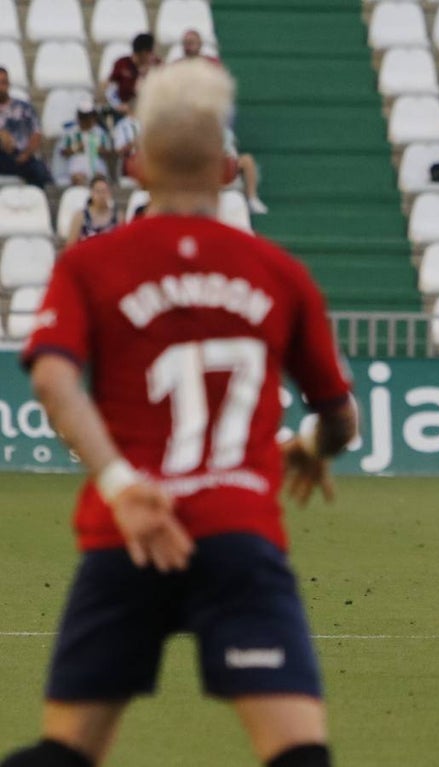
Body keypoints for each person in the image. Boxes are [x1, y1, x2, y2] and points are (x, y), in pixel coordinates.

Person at [3, 59, 357, 767]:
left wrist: (123, 485)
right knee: (298, 755)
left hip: (123, 535)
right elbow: (340, 419)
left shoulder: (91, 264)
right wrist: (312, 447)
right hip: (240, 537)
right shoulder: (279, 273)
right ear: (229, 170)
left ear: (136, 164)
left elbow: (51, 376)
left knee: (64, 753)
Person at [0, 67, 53, 187]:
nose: (1, 87)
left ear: (8, 84)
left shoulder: (24, 107)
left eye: (3, 83)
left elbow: (36, 133)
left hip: (21, 155)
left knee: (38, 170)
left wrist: (26, 154)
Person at [105, 33, 160, 117]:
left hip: (149, 111)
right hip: (124, 111)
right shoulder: (122, 63)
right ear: (143, 53)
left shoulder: (157, 65)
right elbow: (110, 89)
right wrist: (118, 105)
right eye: (149, 52)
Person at [60, 101, 113, 186]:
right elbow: (63, 152)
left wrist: (99, 150)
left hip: (96, 165)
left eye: (89, 117)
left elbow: (108, 152)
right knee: (79, 179)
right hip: (77, 165)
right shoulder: (71, 132)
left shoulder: (100, 133)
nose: (87, 121)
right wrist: (76, 147)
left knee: (99, 180)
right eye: (84, 118)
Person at [64, 174, 119, 247]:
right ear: (91, 193)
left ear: (110, 193)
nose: (101, 195)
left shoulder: (118, 217)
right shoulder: (80, 217)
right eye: (98, 191)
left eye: (104, 191)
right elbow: (70, 246)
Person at [226, 126, 269, 215]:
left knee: (247, 159)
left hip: (231, 173)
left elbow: (233, 152)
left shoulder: (227, 133)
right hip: (211, 174)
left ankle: (252, 199)